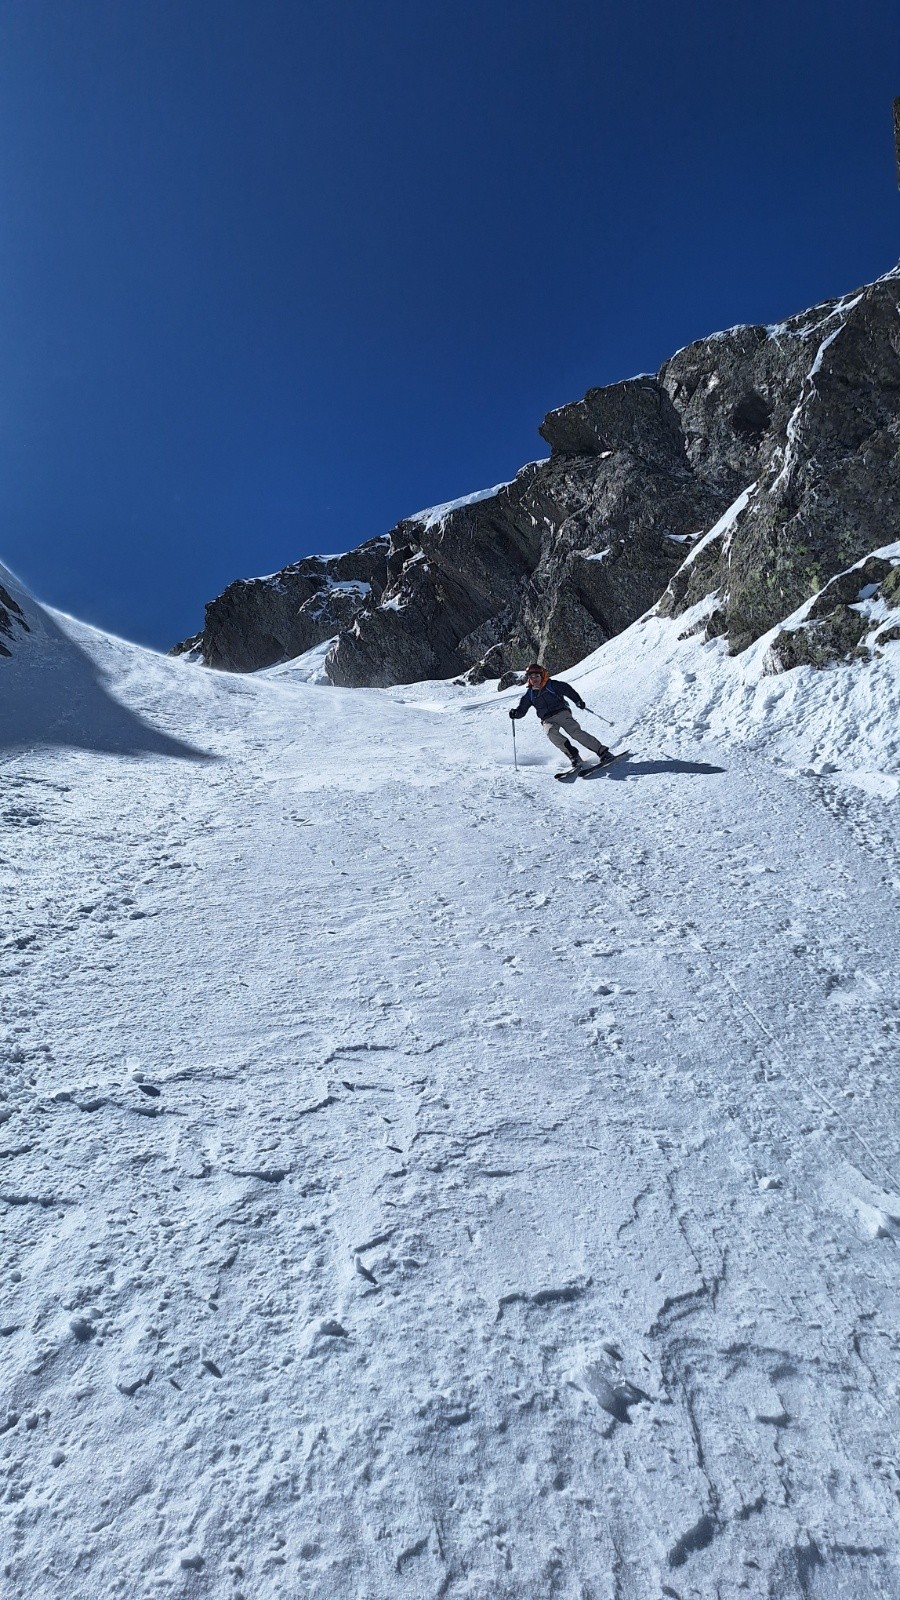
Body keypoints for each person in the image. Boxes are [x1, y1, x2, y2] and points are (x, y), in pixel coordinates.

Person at [509, 663, 613, 770]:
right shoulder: (530, 694)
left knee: (575, 732)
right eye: (531, 677)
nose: (534, 679)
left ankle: (602, 751)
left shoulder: (551, 685)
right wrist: (516, 713)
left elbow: (567, 690)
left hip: (561, 713)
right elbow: (522, 709)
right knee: (550, 733)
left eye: (536, 676)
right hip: (547, 719)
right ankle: (573, 755)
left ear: (542, 675)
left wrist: (578, 700)